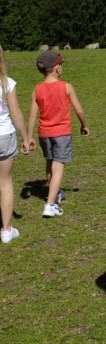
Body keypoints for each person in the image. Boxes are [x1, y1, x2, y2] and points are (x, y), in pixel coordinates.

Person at [28, 51, 89, 218]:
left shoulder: (37, 89)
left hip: (44, 133)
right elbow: (79, 110)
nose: (61, 66)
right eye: (60, 64)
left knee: (50, 163)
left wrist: (28, 137)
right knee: (58, 166)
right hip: (61, 133)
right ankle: (50, 204)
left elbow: (32, 115)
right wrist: (84, 125)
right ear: (55, 68)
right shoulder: (66, 87)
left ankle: (55, 193)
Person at [0, 45, 33, 243]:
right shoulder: (7, 84)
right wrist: (26, 137)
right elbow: (16, 113)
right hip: (4, 135)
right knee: (5, 183)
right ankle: (6, 229)